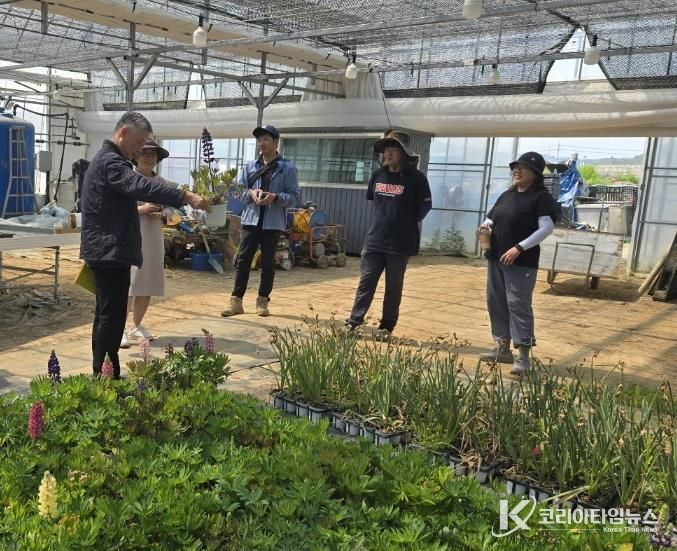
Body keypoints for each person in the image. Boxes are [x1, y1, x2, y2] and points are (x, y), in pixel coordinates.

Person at [80, 112, 208, 378]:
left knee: (106, 316)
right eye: (139, 144)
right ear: (123, 133)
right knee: (111, 318)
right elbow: (140, 185)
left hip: (107, 249)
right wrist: (185, 196)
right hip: (109, 250)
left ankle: (103, 375)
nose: (140, 150)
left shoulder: (107, 160)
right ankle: (106, 379)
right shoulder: (111, 162)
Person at [346, 129, 432, 339]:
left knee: (393, 287)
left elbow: (425, 207)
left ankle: (386, 328)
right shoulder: (378, 175)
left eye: (394, 148)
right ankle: (354, 323)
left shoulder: (417, 179)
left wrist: (405, 223)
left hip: (400, 244)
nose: (388, 153)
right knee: (366, 282)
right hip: (375, 240)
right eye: (386, 149)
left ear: (404, 153)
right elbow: (376, 203)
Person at [478, 151, 557, 375]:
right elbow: (491, 217)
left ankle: (523, 357)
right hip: (496, 257)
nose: (517, 170)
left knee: (518, 305)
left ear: (536, 173)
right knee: (496, 302)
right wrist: (486, 226)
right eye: (515, 167)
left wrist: (519, 247)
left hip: (521, 262)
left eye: (523, 167)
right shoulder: (507, 195)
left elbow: (547, 228)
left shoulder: (541, 197)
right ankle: (502, 348)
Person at [221, 125, 300, 318]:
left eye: (266, 139)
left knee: (268, 262)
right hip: (251, 221)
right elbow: (237, 192)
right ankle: (236, 301)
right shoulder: (250, 167)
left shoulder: (287, 168)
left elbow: (295, 197)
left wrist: (275, 197)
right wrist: (251, 193)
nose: (261, 143)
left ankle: (262, 300)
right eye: (259, 139)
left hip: (273, 223)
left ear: (275, 142)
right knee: (243, 260)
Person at [120, 138, 176, 349]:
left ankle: (136, 325)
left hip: (153, 237)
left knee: (148, 282)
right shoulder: (128, 179)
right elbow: (117, 209)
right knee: (129, 284)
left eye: (153, 154)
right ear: (135, 156)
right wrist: (141, 209)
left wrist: (163, 213)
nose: (149, 157)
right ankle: (119, 329)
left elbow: (171, 209)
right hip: (133, 236)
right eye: (144, 153)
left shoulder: (161, 183)